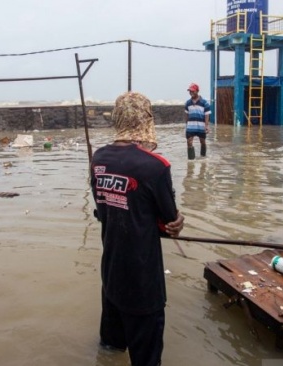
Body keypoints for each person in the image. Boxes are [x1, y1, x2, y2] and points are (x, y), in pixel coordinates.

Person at [90, 91, 184, 366]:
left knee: (110, 349)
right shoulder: (155, 166)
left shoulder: (98, 159)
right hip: (143, 282)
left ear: (118, 118)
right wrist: (179, 222)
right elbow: (168, 224)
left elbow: (103, 208)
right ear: (146, 119)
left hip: (111, 274)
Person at [184, 83, 211, 160]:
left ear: (197, 91)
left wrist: (206, 126)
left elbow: (207, 115)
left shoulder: (204, 103)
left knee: (202, 142)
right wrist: (186, 125)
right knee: (189, 142)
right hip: (190, 126)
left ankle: (203, 158)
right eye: (190, 91)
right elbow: (186, 114)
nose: (191, 92)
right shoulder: (187, 103)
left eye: (193, 91)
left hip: (201, 126)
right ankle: (191, 161)